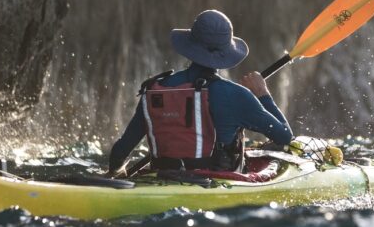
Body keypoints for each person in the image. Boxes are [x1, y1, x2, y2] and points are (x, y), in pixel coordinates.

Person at [107, 10, 293, 175]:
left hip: (162, 177)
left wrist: (116, 172)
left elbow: (120, 152)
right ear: (226, 52)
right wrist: (263, 94)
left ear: (190, 46)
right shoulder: (236, 95)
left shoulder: (155, 89)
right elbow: (284, 137)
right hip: (212, 184)